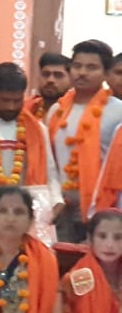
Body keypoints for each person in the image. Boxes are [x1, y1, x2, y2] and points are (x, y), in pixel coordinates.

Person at [0, 63, 63, 215]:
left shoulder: (39, 129)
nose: (11, 107)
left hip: (32, 210)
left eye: (17, 100)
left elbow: (51, 173)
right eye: (5, 100)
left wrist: (57, 201)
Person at [47, 40, 122, 241]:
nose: (82, 73)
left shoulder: (118, 111)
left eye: (91, 67)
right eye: (77, 66)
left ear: (106, 74)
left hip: (102, 208)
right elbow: (48, 161)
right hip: (60, 206)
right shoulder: (56, 110)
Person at [26, 52, 72, 120]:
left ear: (71, 80)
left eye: (58, 75)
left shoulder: (76, 112)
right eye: (46, 74)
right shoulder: (26, 108)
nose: (50, 80)